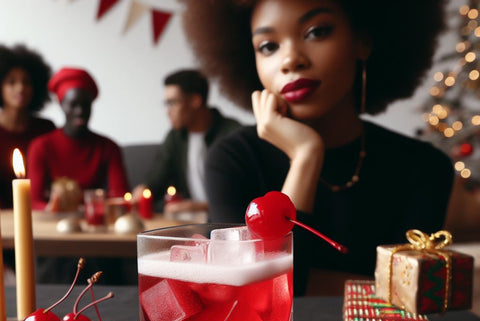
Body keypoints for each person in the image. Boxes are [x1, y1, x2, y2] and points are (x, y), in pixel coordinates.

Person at [180, 0, 454, 295]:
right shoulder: (232, 159)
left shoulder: (425, 168)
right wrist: (306, 156)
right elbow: (253, 291)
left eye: (316, 31)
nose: (291, 60)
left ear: (362, 41)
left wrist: (308, 281)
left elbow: (413, 294)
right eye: (269, 46)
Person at [132, 69, 241, 214]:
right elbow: (158, 178)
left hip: (227, 222)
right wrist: (144, 190)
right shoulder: (175, 137)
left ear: (195, 101)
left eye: (172, 103)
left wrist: (201, 206)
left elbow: (244, 195)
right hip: (189, 223)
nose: (168, 111)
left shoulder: (233, 134)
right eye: (166, 104)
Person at [27, 67, 129, 210]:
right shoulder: (41, 146)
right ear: (62, 105)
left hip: (95, 224)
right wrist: (50, 208)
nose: (80, 111)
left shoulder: (108, 147)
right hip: (54, 224)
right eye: (73, 104)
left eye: (85, 105)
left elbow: (120, 198)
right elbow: (33, 201)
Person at [0, 44, 55, 208]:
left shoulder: (46, 130)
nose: (20, 88)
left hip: (39, 215)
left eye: (27, 82)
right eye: (11, 82)